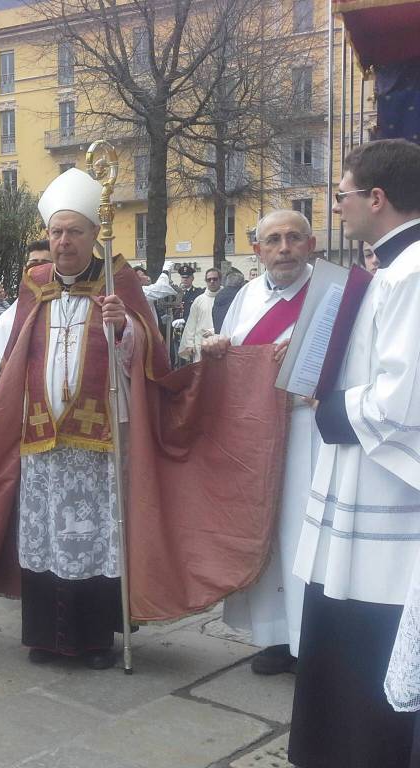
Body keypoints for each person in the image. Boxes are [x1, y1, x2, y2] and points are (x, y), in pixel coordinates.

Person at [0, 168, 165, 669]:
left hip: (100, 435)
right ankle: (46, 637)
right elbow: (15, 351)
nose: (63, 241)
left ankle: (92, 640)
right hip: (41, 436)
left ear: (95, 237)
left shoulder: (119, 282)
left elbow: (149, 352)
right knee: (45, 533)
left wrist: (124, 326)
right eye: (56, 232)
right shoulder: (34, 284)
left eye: (74, 232)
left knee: (91, 532)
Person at [287, 139, 420, 768]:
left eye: (341, 193)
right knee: (340, 615)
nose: (337, 205)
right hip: (362, 475)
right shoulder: (392, 270)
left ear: (377, 198)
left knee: (368, 627)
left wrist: (334, 408)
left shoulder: (414, 270)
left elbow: (403, 397)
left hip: (387, 490)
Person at [202, 210, 318, 676]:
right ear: (258, 249)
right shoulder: (246, 295)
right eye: (274, 239)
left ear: (310, 245)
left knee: (302, 534)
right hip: (257, 434)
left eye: (294, 238)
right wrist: (215, 351)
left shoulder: (333, 293)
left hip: (311, 433)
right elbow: (232, 352)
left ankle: (311, 641)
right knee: (265, 532)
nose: (284, 247)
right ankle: (274, 637)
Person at [177, 267, 222, 363]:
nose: (212, 282)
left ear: (220, 280)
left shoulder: (226, 298)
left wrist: (215, 330)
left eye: (215, 279)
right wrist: (189, 344)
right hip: (200, 344)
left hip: (220, 343)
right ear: (206, 281)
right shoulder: (199, 300)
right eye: (209, 279)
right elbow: (191, 324)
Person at [211, 267, 245, 333]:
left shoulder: (219, 295)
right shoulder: (240, 296)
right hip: (234, 337)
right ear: (241, 283)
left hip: (220, 336)